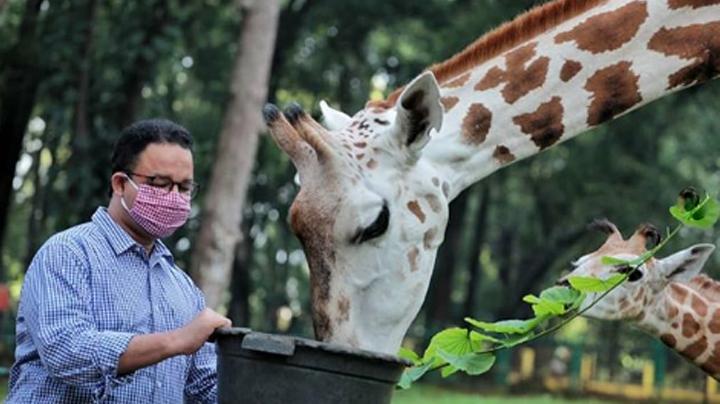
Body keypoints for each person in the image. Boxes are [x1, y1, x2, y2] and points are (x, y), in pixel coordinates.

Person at [7, 119, 232, 403]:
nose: (174, 197)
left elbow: (207, 388)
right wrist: (175, 341)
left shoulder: (184, 289)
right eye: (160, 183)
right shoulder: (68, 253)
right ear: (120, 183)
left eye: (184, 188)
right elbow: (64, 350)